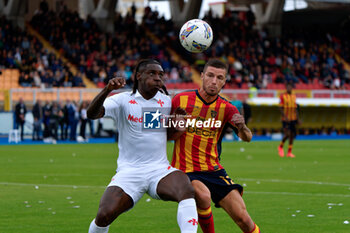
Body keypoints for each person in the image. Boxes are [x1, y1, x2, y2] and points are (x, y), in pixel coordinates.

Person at [86, 59, 198, 233]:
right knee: (104, 215)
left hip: (159, 170)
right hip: (129, 172)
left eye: (161, 74)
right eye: (152, 73)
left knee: (186, 188)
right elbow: (91, 114)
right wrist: (107, 90)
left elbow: (162, 135)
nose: (158, 77)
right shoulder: (123, 100)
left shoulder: (166, 102)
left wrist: (176, 126)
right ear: (139, 76)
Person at [170, 59, 260, 233]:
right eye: (210, 75)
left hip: (214, 170)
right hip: (185, 169)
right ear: (202, 76)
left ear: (224, 81)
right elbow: (162, 130)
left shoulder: (227, 108)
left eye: (219, 77)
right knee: (203, 195)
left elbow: (247, 137)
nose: (214, 81)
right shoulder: (181, 100)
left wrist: (242, 127)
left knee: (244, 219)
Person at [277, 82, 299, 158]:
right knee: (287, 134)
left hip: (293, 119)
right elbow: (280, 107)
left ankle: (289, 152)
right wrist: (285, 116)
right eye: (288, 87)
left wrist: (297, 119)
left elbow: (295, 108)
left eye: (290, 87)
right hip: (285, 119)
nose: (289, 89)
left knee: (292, 135)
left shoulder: (294, 96)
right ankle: (280, 146)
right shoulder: (283, 96)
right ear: (286, 88)